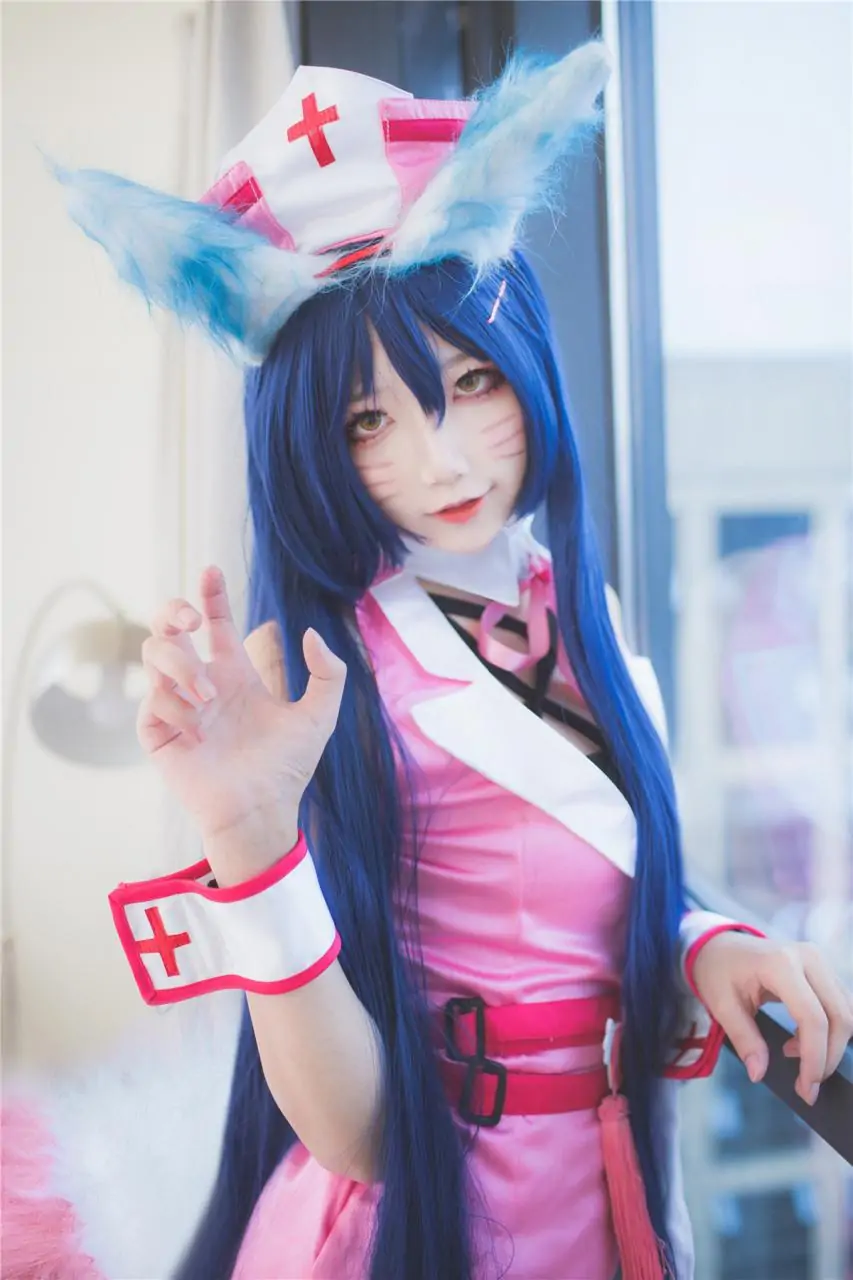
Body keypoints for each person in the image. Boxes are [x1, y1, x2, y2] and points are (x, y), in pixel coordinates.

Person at [7, 43, 853, 1280]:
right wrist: (248, 832)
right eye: (368, 419)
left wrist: (701, 941)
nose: (440, 460)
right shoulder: (316, 673)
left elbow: (596, 864)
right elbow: (354, 1133)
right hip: (430, 1211)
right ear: (309, 446)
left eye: (469, 382)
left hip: (603, 1173)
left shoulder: (571, 604)